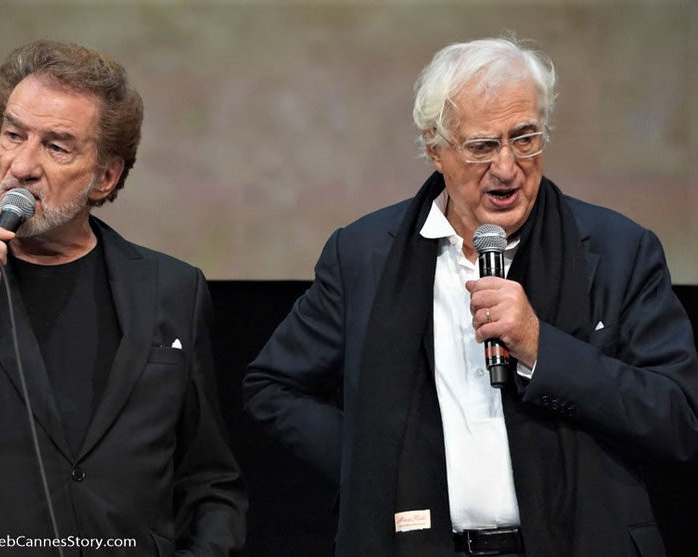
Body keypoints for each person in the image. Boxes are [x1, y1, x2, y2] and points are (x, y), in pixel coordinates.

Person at [243, 37, 698, 556]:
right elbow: (272, 385)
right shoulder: (366, 255)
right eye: (483, 146)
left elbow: (677, 417)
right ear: (436, 148)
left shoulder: (619, 250)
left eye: (525, 139)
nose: (507, 167)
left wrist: (539, 347)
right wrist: (372, 457)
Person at [0, 40, 246, 555]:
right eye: (13, 135)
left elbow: (209, 481)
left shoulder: (171, 289)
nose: (21, 165)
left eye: (56, 146)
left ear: (105, 177)